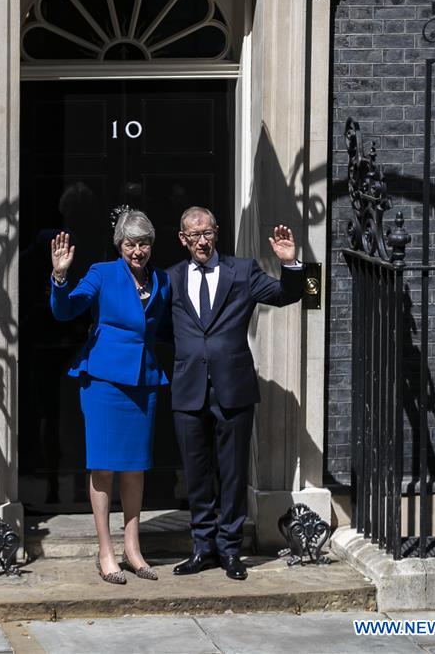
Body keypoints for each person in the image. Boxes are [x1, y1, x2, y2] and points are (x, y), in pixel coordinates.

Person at [167, 206, 304, 580]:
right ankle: (203, 548)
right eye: (194, 235)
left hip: (234, 388)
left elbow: (284, 295)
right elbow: (155, 326)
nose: (202, 240)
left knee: (231, 473)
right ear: (183, 239)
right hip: (188, 389)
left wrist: (291, 265)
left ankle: (229, 550)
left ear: (217, 233)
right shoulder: (171, 279)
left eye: (208, 232)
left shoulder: (241, 272)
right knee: (196, 474)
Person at [50, 209, 170, 584]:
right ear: (120, 245)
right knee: (103, 467)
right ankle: (106, 551)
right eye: (132, 243)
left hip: (143, 381)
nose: (139, 251)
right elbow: (66, 309)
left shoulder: (162, 281)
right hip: (103, 381)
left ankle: (133, 549)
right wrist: (59, 276)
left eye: (145, 243)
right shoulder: (102, 273)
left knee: (135, 467)